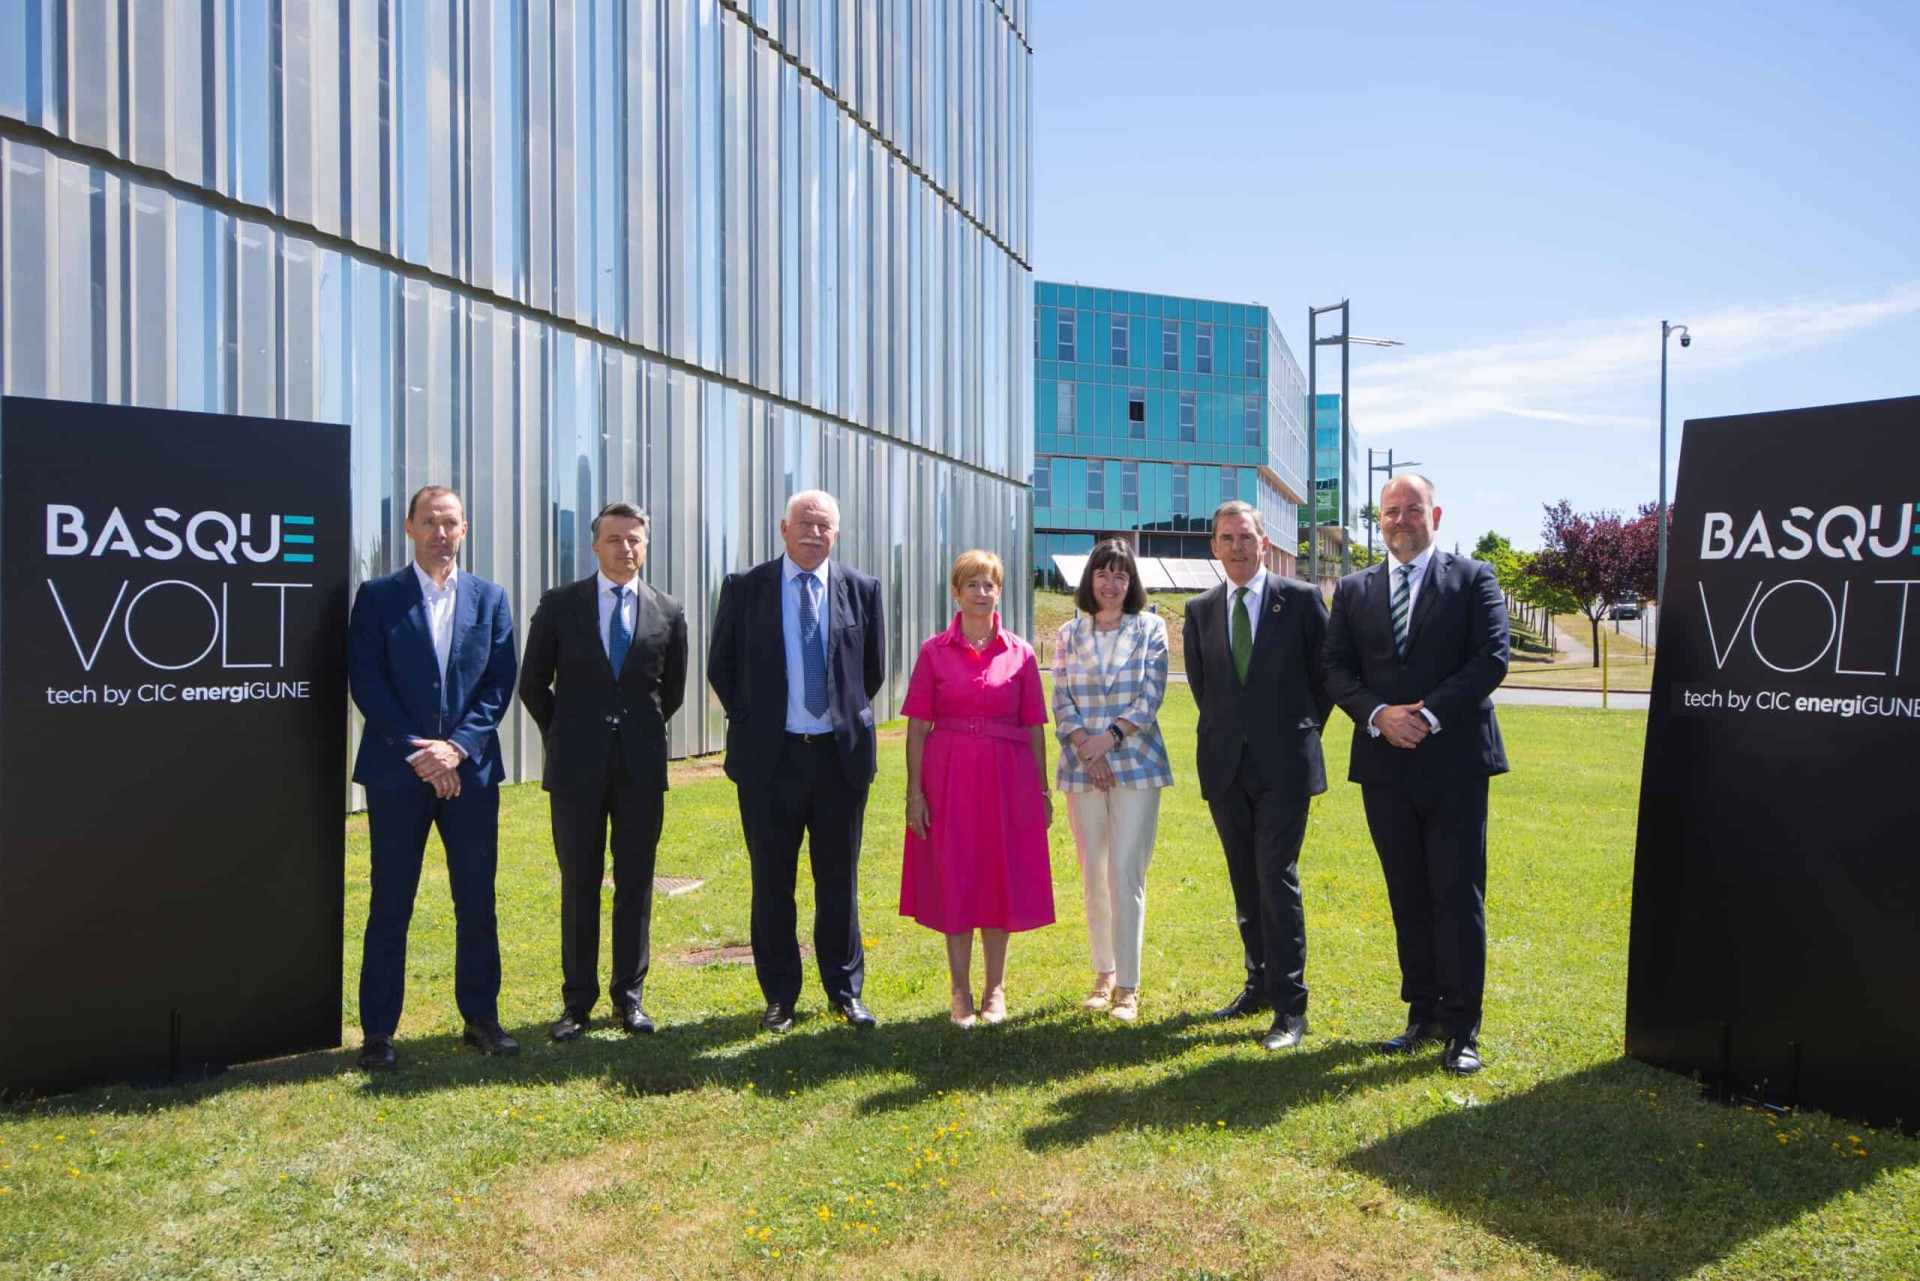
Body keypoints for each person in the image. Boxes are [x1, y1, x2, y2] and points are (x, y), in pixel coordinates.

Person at [1324, 474, 1509, 1075]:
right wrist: (1379, 714)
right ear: (1378, 520)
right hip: (1384, 765)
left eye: (1412, 509)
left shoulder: (1473, 578)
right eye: (1390, 511)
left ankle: (1462, 1029)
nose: (1401, 520)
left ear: (1436, 514)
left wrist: (1426, 716)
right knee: (1407, 894)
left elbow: (1492, 658)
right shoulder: (1353, 589)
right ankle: (1422, 1013)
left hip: (1455, 763)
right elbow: (1335, 667)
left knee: (1457, 894)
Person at [347, 486, 519, 1071]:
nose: (440, 533)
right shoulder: (378, 598)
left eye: (450, 523)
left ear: (464, 528)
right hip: (398, 774)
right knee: (390, 902)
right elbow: (367, 680)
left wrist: (457, 749)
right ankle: (378, 1032)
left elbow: (499, 682)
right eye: (429, 522)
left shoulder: (490, 598)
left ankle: (482, 1018)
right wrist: (420, 753)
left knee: (477, 900)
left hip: (470, 775)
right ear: (409, 528)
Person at [708, 491, 886, 1032]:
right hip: (770, 760)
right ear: (783, 528)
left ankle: (844, 991)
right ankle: (780, 995)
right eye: (804, 523)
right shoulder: (746, 587)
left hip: (838, 760)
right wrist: (757, 718)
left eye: (824, 525)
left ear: (837, 533)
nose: (814, 533)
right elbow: (722, 665)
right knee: (771, 883)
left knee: (839, 882)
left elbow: (871, 670)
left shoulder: (862, 589)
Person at [519, 502, 688, 1042]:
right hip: (576, 768)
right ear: (595, 546)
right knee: (579, 882)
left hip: (641, 768)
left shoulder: (668, 610)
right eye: (614, 539)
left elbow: (672, 692)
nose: (625, 548)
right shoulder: (560, 605)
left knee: (635, 883)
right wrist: (565, 733)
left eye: (634, 539)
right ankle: (577, 1002)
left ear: (646, 545)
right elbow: (532, 684)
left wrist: (634, 731)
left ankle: (629, 998)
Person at [1182, 500, 1333, 1052]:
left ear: (1264, 543)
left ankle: (1291, 1007)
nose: (1237, 547)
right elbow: (1204, 687)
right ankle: (1259, 984)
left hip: (1285, 766)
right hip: (1225, 766)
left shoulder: (1301, 599)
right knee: (1245, 879)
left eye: (1246, 537)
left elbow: (1325, 676)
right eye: (1227, 538)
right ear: (1214, 548)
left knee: (1275, 875)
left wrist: (1298, 732)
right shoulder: (1200, 609)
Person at [901, 551, 1054, 1027]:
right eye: (972, 584)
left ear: (999, 592)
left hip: (1007, 780)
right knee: (955, 878)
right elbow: (916, 728)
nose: (981, 593)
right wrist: (914, 793)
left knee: (997, 879)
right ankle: (960, 990)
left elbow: (1034, 727)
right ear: (956, 592)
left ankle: (995, 989)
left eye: (989, 584)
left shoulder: (1021, 653)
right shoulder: (933, 652)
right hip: (948, 781)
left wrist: (1042, 792)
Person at [1051, 539, 1172, 1023]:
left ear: (1131, 582)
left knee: (1125, 872)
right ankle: (1103, 974)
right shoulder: (1068, 633)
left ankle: (1128, 986)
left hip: (1137, 765)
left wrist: (1110, 738)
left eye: (1121, 575)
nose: (1111, 583)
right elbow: (1061, 699)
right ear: (1090, 579)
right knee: (1094, 874)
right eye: (1103, 573)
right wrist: (1087, 746)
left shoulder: (1151, 628)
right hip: (1083, 767)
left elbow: (1151, 695)